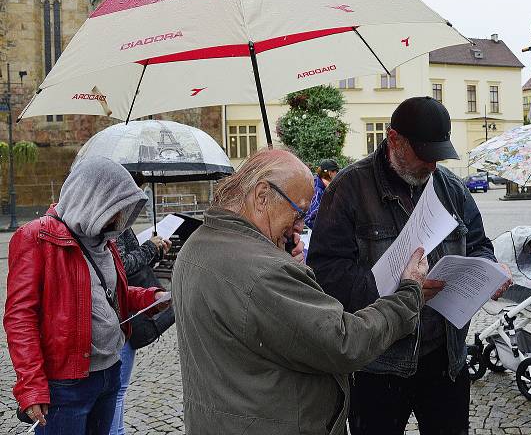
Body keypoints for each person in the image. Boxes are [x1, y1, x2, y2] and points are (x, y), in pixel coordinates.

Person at [171, 148, 429, 435]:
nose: (300, 226)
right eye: (298, 213)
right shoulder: (264, 272)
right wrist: (408, 294)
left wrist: (277, 254)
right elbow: (344, 341)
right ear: (261, 196)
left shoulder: (198, 244)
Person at [307, 96, 510, 435]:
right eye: (424, 154)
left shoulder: (452, 189)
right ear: (394, 139)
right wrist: (403, 290)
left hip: (445, 358)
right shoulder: (348, 189)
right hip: (378, 361)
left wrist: (490, 270)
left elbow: (478, 245)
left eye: (438, 155)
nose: (432, 165)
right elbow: (326, 273)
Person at [3, 157, 169, 434]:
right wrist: (31, 386)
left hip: (110, 371)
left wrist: (150, 298)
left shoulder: (105, 240)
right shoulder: (36, 237)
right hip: (66, 384)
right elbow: (20, 318)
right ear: (94, 199)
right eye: (116, 209)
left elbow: (107, 294)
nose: (120, 219)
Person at [110, 212, 174, 435]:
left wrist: (155, 251)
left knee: (118, 390)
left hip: (125, 311)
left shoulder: (118, 220)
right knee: (117, 391)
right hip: (119, 316)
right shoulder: (111, 221)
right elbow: (120, 267)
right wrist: (149, 247)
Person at [304, 158, 340, 229]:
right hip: (321, 234)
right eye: (336, 172)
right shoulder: (317, 191)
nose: (338, 175)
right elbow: (309, 219)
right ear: (330, 173)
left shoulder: (324, 187)